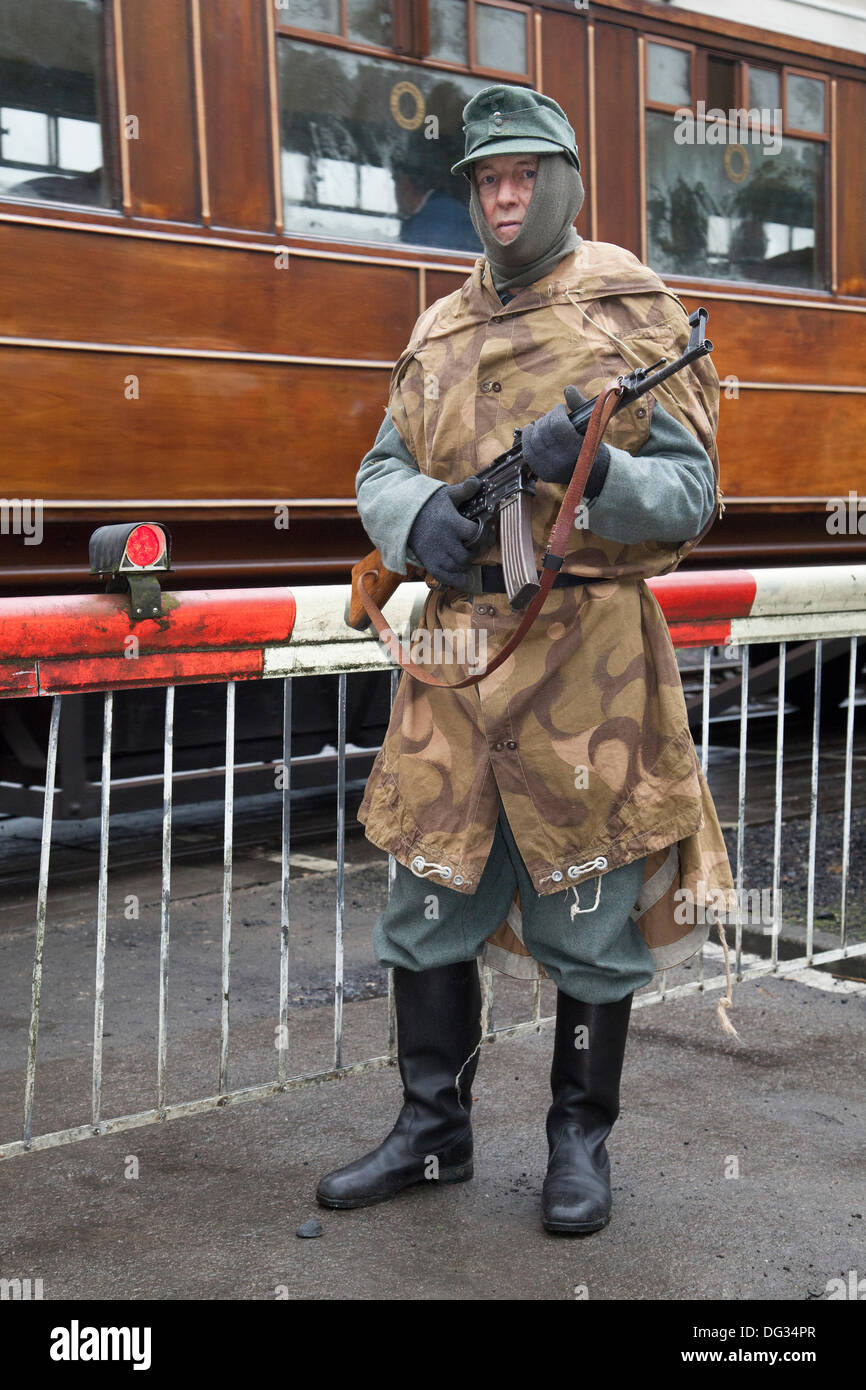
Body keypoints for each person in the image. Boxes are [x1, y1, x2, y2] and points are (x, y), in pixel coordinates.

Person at [317, 85, 735, 1234]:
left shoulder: (630, 309)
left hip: (582, 670)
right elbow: (379, 464)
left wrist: (594, 472)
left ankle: (576, 1146)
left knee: (588, 923)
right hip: (453, 667)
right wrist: (417, 525)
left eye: (521, 177)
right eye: (484, 181)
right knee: (424, 902)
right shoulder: (438, 323)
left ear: (558, 181)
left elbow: (693, 497)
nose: (502, 199)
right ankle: (431, 1132)